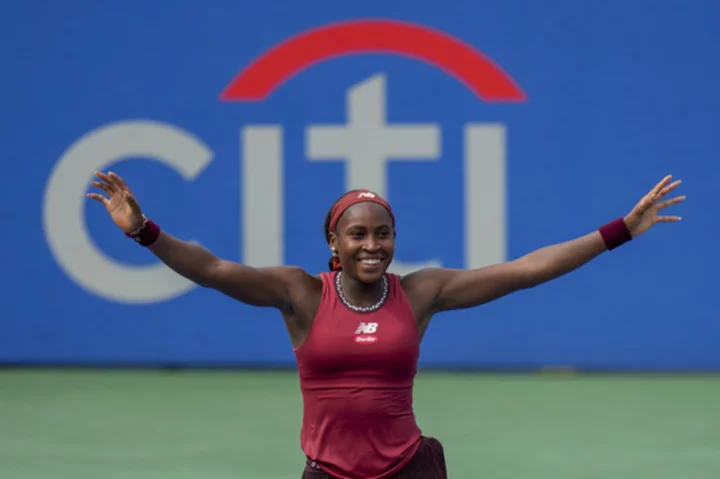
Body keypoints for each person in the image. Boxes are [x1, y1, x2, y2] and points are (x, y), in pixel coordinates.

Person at [88, 172, 684, 479]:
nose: (372, 245)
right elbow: (214, 268)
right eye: (358, 234)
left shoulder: (421, 293)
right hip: (328, 474)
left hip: (410, 471)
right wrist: (144, 231)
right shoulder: (298, 294)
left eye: (383, 233)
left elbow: (524, 270)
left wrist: (620, 231)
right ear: (334, 242)